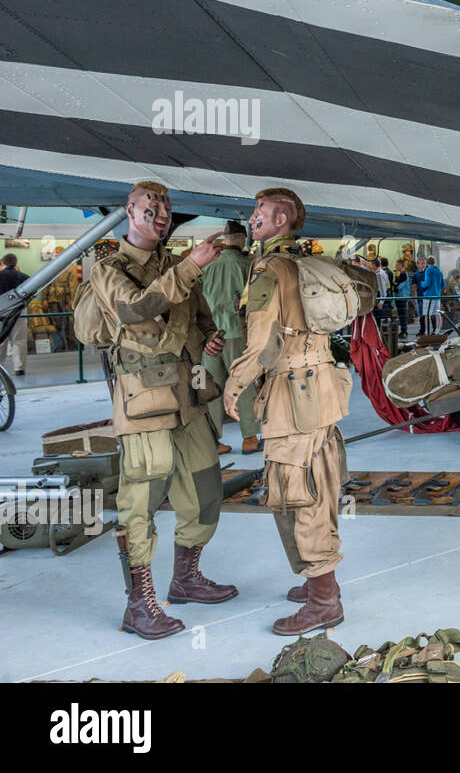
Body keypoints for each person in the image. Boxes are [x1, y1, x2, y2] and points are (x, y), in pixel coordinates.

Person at [89, 181, 237, 639]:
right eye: (150, 207)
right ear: (129, 213)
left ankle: (186, 578)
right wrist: (191, 266)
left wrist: (209, 338)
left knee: (205, 483)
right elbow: (135, 309)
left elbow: (201, 319)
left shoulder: (175, 265)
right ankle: (140, 604)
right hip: (143, 397)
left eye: (167, 207)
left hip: (186, 392)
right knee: (142, 496)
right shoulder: (108, 267)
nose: (161, 214)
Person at [224, 188, 351, 635]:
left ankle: (323, 600)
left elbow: (259, 343)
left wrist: (233, 384)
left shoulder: (269, 269)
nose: (252, 218)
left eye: (260, 212)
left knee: (300, 494)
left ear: (280, 219)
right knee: (322, 484)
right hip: (322, 391)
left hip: (291, 399)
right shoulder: (306, 263)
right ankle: (318, 582)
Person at [200, 220, 260, 455]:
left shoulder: (208, 265)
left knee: (212, 388)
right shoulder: (248, 264)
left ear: (225, 239)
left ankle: (213, 441)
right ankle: (250, 438)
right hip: (237, 333)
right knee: (242, 384)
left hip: (210, 335)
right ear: (243, 238)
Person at [0, 253, 30, 376]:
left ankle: (0, 367)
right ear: (15, 263)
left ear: (3, 263)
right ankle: (19, 368)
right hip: (20, 311)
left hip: (2, 310)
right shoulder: (24, 277)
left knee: (1, 340)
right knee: (20, 340)